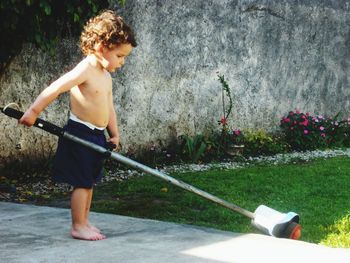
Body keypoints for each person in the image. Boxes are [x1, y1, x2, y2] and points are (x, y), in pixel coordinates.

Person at [19, 10, 137, 241]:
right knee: (82, 182)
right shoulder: (85, 69)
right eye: (120, 56)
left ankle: (84, 220)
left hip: (97, 135)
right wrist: (33, 112)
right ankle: (77, 225)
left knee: (89, 181)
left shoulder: (105, 74)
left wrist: (114, 133)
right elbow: (56, 88)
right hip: (79, 133)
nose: (122, 62)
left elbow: (109, 106)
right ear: (103, 46)